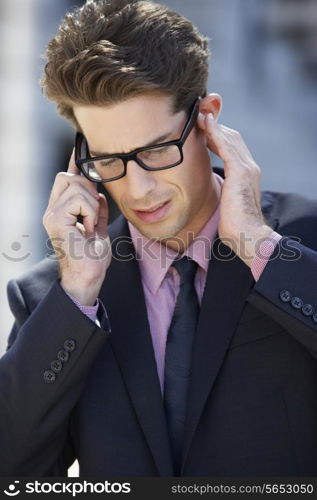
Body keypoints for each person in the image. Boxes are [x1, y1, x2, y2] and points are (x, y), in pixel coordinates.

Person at [1, 0, 317, 477]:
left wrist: (258, 246)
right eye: (108, 160)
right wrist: (78, 295)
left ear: (207, 120)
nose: (137, 188)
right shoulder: (54, 300)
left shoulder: (302, 243)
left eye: (156, 151)